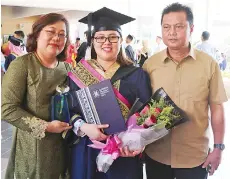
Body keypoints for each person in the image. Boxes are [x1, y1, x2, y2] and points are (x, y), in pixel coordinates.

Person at [64, 7, 152, 179]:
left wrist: (139, 143)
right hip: (87, 148)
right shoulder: (78, 74)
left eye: (113, 37)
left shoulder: (136, 74)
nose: (107, 42)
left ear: (121, 41)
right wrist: (83, 127)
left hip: (123, 151)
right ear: (92, 40)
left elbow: (147, 113)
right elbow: (68, 110)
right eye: (100, 37)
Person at [143, 3, 227, 179]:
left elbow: (217, 109)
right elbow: (143, 108)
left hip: (195, 157)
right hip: (157, 153)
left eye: (179, 26)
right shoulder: (150, 65)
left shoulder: (209, 65)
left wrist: (218, 148)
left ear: (192, 28)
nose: (172, 32)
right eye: (166, 27)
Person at [1, 13, 72, 179]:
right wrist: (46, 126)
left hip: (61, 145)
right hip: (32, 147)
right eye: (51, 32)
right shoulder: (22, 65)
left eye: (62, 34)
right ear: (38, 34)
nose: (56, 38)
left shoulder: (66, 68)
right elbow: (7, 109)